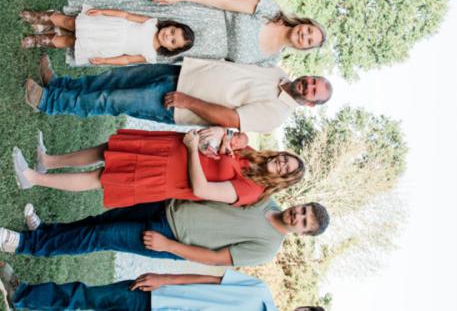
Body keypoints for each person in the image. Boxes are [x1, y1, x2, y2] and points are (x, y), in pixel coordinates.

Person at [12, 128, 305, 208]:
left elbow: (202, 189)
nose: (280, 163)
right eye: (284, 158)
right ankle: (48, 162)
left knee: (100, 177)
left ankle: (32, 178)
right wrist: (219, 135)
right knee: (106, 149)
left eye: (285, 169)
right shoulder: (252, 155)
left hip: (164, 176)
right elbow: (221, 146)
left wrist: (192, 149)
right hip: (167, 149)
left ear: (281, 180)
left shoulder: (250, 191)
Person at [24, 56, 333, 132]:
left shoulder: (275, 115)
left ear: (309, 103)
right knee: (115, 78)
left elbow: (230, 118)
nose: (307, 85)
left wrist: (189, 101)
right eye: (312, 80)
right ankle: (60, 85)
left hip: (177, 103)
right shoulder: (277, 72)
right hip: (182, 73)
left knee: (112, 100)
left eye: (312, 91)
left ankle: (49, 102)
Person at [0, 198, 330, 266]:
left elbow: (216, 258)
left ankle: (24, 245)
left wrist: (167, 245)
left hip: (169, 237)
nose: (297, 215)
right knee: (99, 222)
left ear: (302, 234)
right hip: (167, 206)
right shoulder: (267, 200)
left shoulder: (268, 248)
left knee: (100, 237)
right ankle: (44, 232)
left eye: (304, 222)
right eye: (303, 210)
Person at [45, 0, 326, 66]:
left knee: (131, 45)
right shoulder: (271, 11)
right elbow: (224, 1)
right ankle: (66, 18)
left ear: (304, 48)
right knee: (131, 18)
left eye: (308, 41)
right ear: (304, 23)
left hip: (192, 52)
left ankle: (64, 39)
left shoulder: (270, 61)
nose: (304, 36)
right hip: (192, 18)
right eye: (308, 31)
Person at [0, 262, 321, 311]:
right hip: (156, 298)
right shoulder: (258, 291)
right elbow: (206, 279)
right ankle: (22, 296)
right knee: (87, 295)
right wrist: (163, 279)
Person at [19, 8, 194, 66]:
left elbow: (126, 59)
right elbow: (126, 15)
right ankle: (38, 16)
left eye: (173, 41)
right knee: (72, 23)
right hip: (108, 26)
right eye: (172, 31)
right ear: (171, 25)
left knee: (71, 42)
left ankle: (37, 40)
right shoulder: (151, 23)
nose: (168, 36)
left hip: (109, 46)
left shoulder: (150, 55)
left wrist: (105, 61)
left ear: (171, 49)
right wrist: (103, 12)